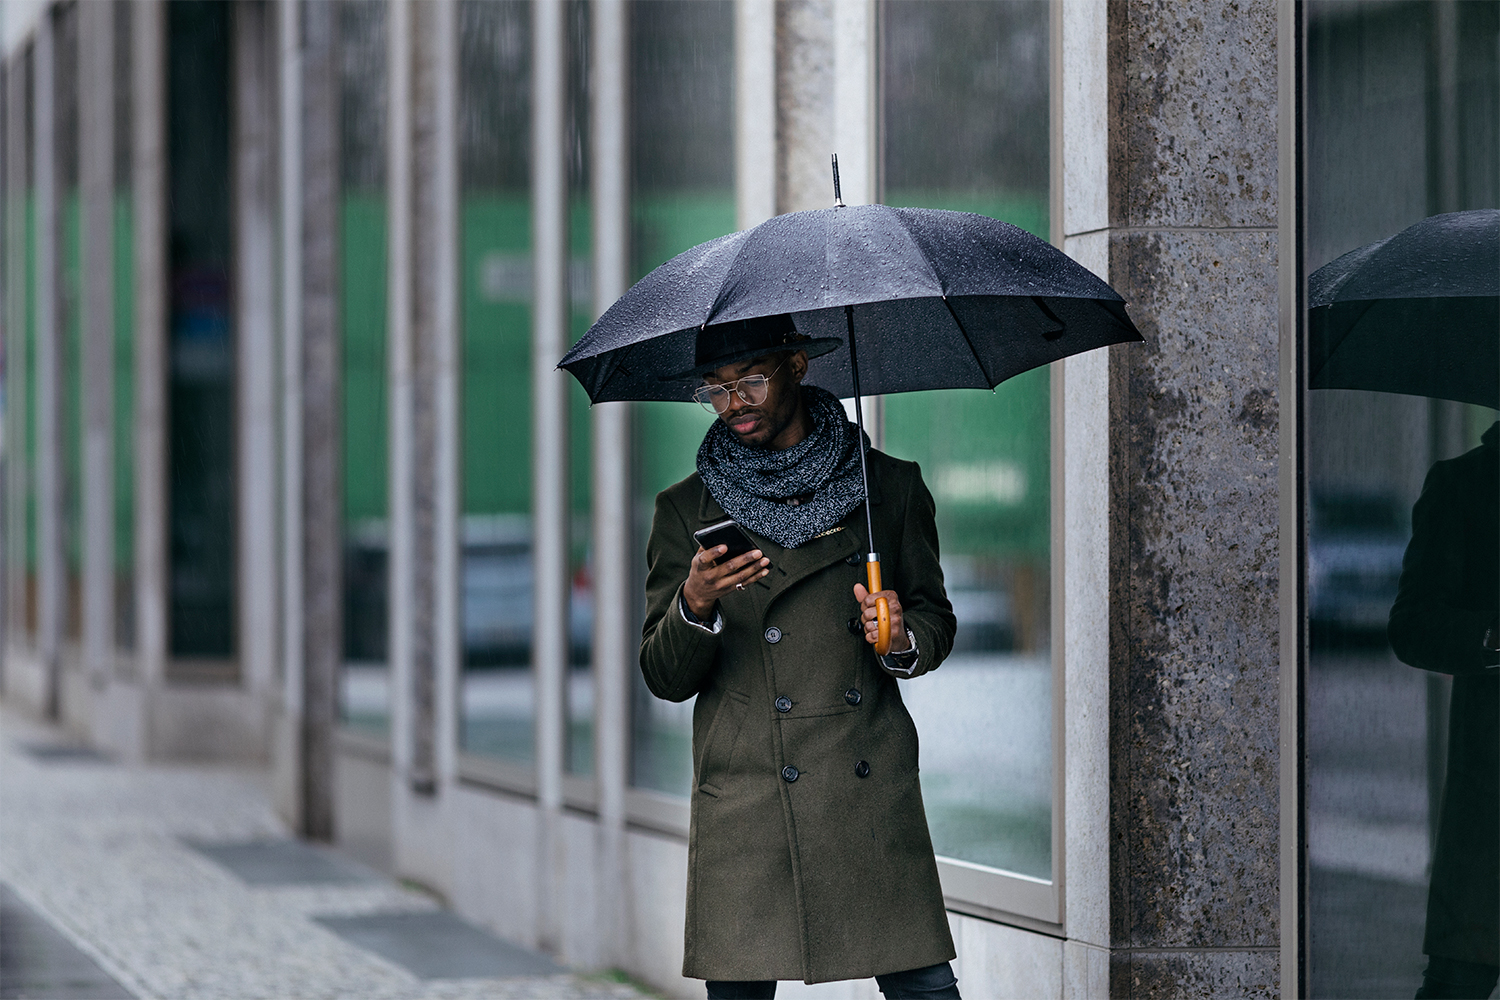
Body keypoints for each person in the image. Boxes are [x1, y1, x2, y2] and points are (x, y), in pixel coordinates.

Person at [639, 314, 961, 1000]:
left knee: (925, 990)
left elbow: (935, 618)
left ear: (796, 367)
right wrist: (693, 603)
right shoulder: (683, 510)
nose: (735, 403)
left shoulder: (889, 489)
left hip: (865, 787)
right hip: (749, 792)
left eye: (751, 380)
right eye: (717, 389)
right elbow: (664, 678)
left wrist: (899, 637)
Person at [1388, 420, 1500, 1000]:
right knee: (1459, 983)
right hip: (1491, 810)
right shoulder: (1465, 485)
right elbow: (1411, 626)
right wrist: (1492, 635)